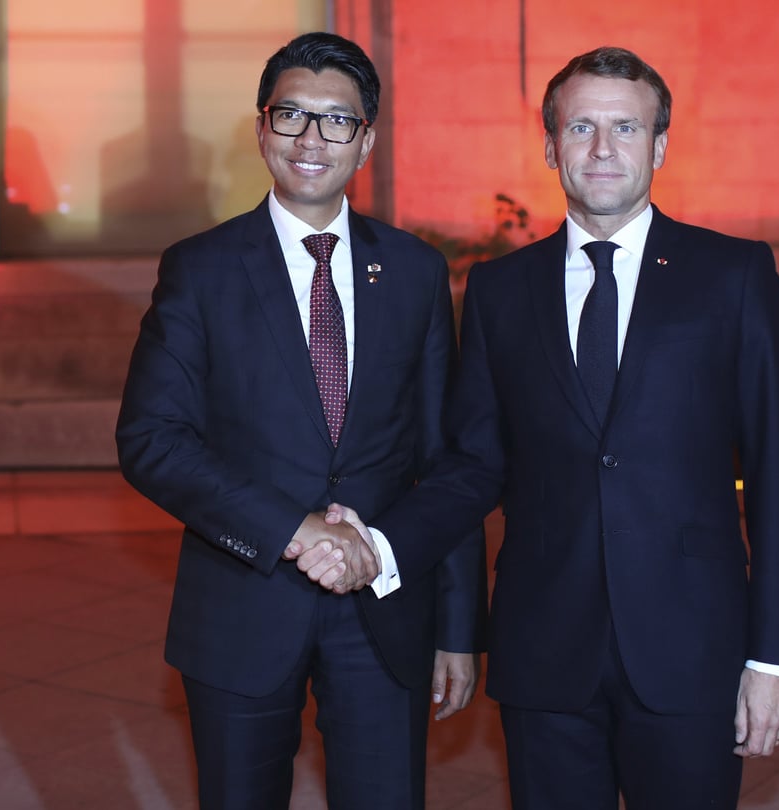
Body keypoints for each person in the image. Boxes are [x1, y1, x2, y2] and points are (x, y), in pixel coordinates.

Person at [311, 46, 779, 809]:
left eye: (625, 128)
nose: (603, 149)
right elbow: (472, 465)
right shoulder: (499, 289)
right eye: (580, 127)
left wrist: (773, 661)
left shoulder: (733, 275)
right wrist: (378, 545)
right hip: (544, 650)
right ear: (550, 147)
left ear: (660, 146)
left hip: (691, 646)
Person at [115, 31, 486, 810]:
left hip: (383, 609)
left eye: (336, 121)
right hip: (243, 605)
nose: (311, 140)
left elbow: (443, 460)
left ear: (367, 141)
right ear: (260, 128)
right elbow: (152, 439)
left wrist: (457, 627)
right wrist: (294, 530)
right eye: (291, 116)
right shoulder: (202, 268)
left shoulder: (415, 271)